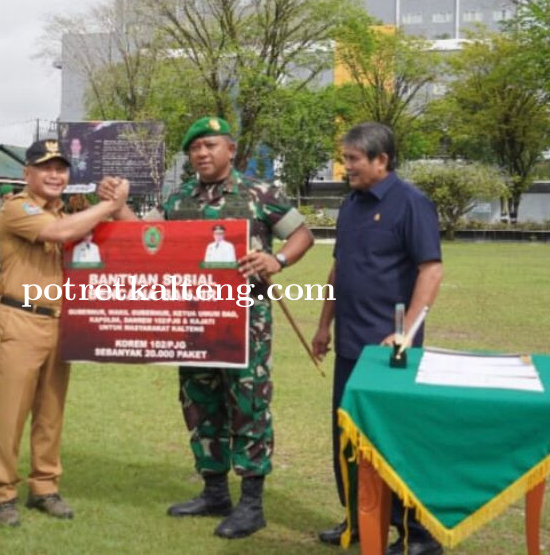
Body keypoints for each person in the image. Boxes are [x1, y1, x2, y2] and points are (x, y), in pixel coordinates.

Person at [100, 116, 315, 539]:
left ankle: (251, 504)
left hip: (244, 323)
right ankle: (214, 491)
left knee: (248, 405)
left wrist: (277, 261)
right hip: (193, 321)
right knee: (200, 401)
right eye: (195, 148)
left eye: (210, 145)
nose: (202, 154)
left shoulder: (259, 193)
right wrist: (116, 203)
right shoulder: (180, 199)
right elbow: (144, 236)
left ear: (230, 150)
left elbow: (302, 234)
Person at [312, 122, 444, 555]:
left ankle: (417, 536)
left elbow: (431, 269)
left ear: (381, 160)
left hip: (391, 353)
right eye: (344, 157)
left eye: (352, 159)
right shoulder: (350, 205)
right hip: (350, 346)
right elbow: (338, 269)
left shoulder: (412, 204)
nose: (344, 166)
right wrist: (323, 324)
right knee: (347, 437)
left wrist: (407, 332)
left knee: (392, 443)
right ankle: (357, 518)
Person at [0, 139, 128, 527]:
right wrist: (108, 206)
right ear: (26, 173)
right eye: (45, 167)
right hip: (19, 317)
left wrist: (115, 203)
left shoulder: (67, 209)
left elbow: (127, 233)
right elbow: (60, 233)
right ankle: (3, 493)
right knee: (11, 411)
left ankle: (44, 488)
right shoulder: (18, 207)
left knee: (51, 411)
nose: (54, 174)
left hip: (59, 320)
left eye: (61, 168)